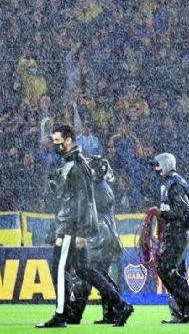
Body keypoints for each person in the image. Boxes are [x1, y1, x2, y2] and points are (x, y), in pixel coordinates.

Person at [37, 125, 133, 328]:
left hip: (71, 228)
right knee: (84, 270)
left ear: (69, 140)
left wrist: (77, 232)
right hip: (72, 226)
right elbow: (75, 198)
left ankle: (61, 315)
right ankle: (121, 305)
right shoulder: (74, 164)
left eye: (57, 141)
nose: (55, 145)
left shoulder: (76, 165)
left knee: (60, 269)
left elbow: (83, 200)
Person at [65, 156, 123, 324]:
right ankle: (111, 312)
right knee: (99, 276)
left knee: (88, 276)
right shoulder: (99, 187)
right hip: (104, 239)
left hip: (100, 240)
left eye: (89, 168)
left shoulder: (98, 190)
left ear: (96, 171)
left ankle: (76, 313)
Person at [150, 153, 189, 324]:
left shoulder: (174, 184)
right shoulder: (170, 182)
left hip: (179, 233)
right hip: (176, 232)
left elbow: (182, 212)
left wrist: (161, 213)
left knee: (165, 269)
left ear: (165, 165)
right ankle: (181, 312)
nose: (155, 169)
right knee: (175, 271)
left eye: (157, 165)